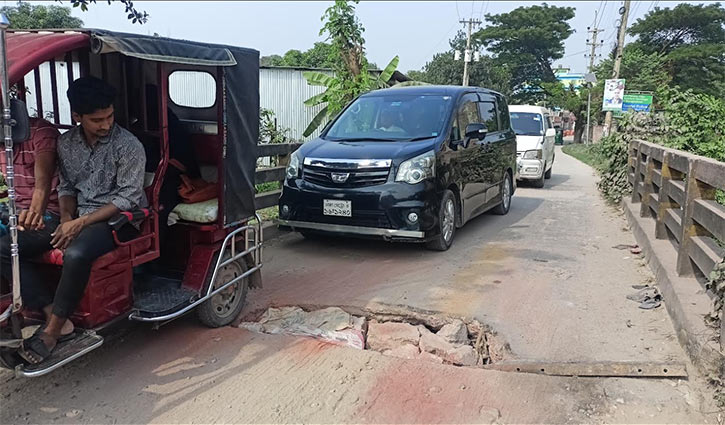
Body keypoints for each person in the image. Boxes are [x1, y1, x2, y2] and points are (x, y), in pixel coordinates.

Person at [16, 76, 147, 364]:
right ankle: (53, 312)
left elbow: (127, 198)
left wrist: (80, 224)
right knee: (10, 246)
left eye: (110, 116)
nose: (106, 124)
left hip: (119, 219)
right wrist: (65, 218)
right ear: (77, 116)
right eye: (97, 119)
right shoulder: (66, 143)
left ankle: (50, 334)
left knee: (75, 253)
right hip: (77, 216)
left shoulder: (129, 146)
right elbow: (66, 186)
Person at [0, 117, 61, 329]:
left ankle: (51, 312)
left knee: (5, 248)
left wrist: (33, 215)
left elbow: (42, 181)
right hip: (13, 211)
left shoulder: (40, 131)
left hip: (52, 212)